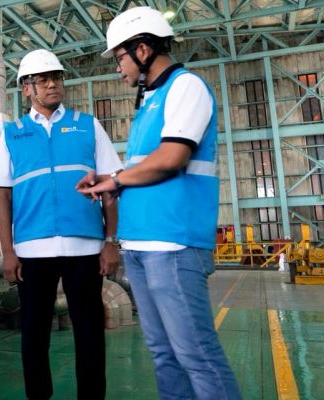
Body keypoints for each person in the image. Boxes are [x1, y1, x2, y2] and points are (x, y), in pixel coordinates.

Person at [78, 7, 241, 399]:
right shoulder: (149, 102)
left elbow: (171, 158)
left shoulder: (185, 88)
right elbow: (142, 167)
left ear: (143, 50)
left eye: (119, 57)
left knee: (196, 353)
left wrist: (116, 180)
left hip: (173, 243)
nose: (117, 68)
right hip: (140, 242)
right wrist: (111, 180)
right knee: (164, 354)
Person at [0, 49, 122, 400]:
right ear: (26, 88)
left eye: (57, 77)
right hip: (32, 251)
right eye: (43, 79)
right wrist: (8, 251)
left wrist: (111, 242)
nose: (53, 84)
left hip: (86, 247)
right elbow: (3, 197)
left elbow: (111, 187)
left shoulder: (87, 125)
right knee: (34, 335)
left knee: (90, 332)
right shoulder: (12, 134)